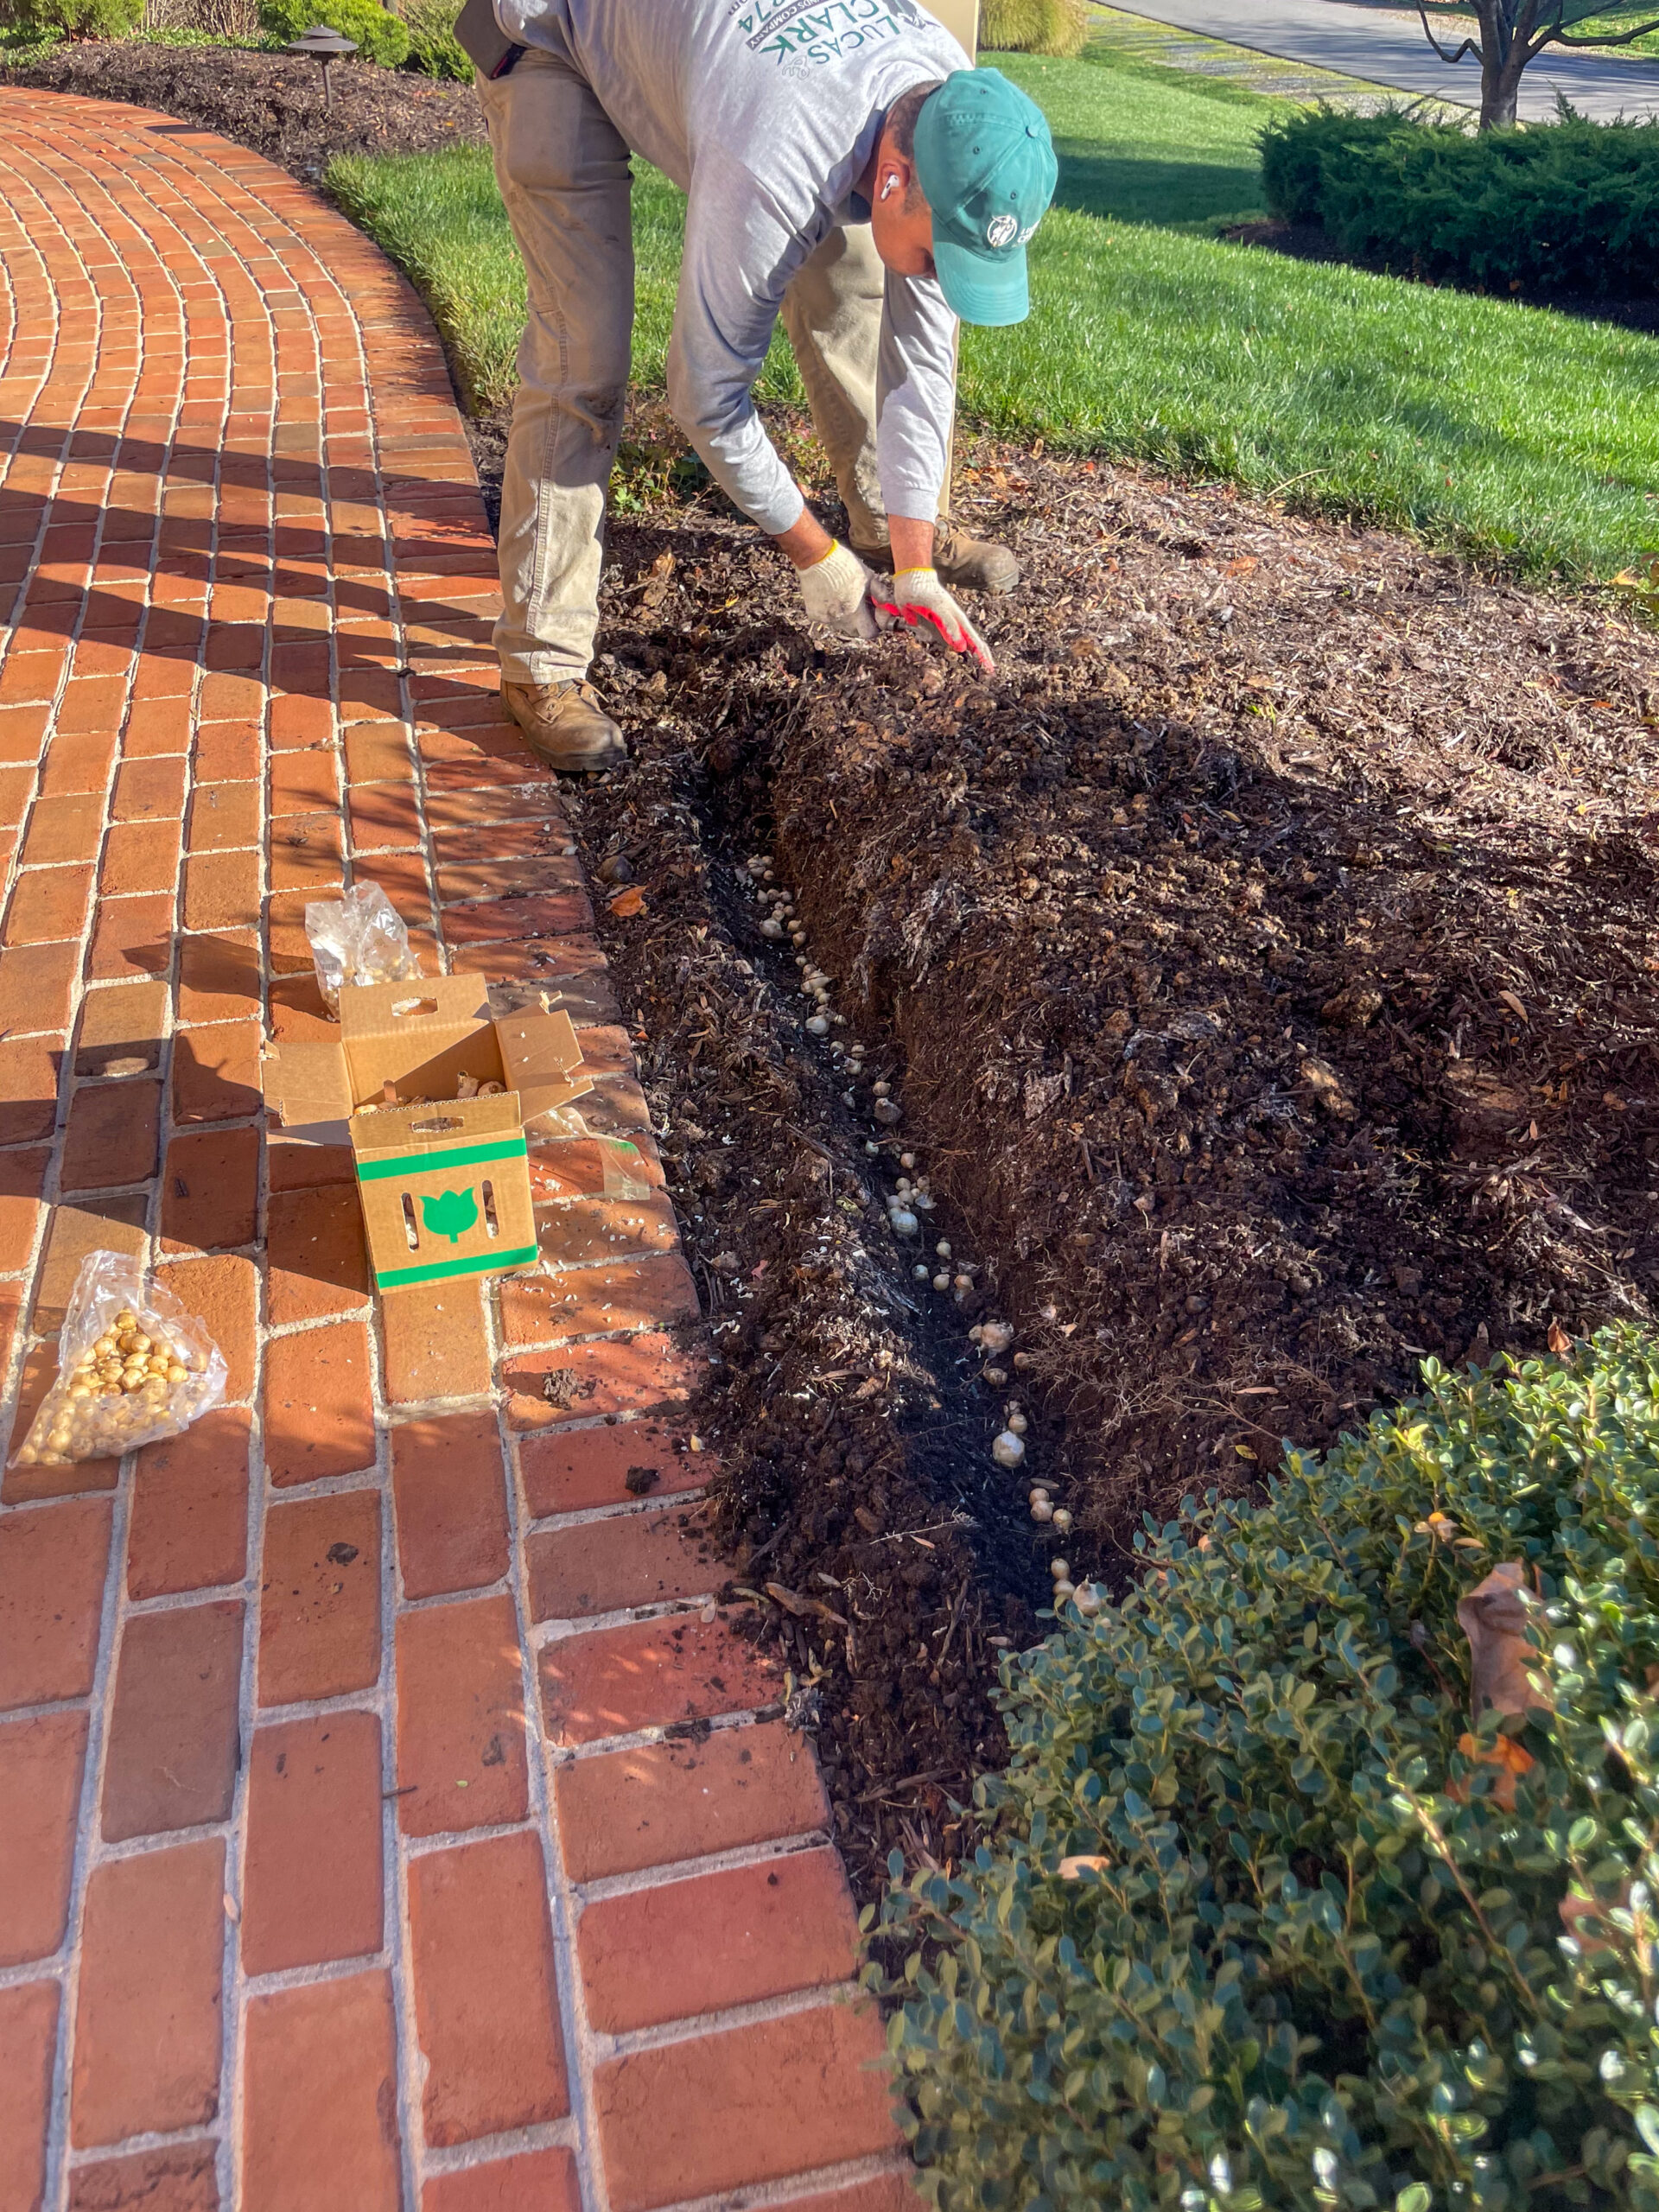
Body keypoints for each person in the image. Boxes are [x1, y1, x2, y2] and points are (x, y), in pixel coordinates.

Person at [474, 0, 1059, 771]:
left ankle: (886, 530)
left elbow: (922, 362)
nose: (939, 277)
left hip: (714, 56)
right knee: (582, 355)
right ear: (891, 179)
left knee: (856, 281)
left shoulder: (956, 110)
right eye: (938, 255)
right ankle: (541, 662)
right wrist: (817, 558)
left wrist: (915, 568)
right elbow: (707, 396)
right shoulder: (778, 153)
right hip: (553, 34)